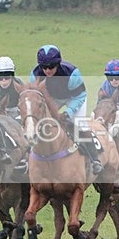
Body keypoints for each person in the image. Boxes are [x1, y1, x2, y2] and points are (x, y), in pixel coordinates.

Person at [29, 44, 102, 174]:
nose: (47, 70)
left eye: (51, 66)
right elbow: (37, 97)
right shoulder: (35, 75)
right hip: (52, 99)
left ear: (58, 63)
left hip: (74, 97)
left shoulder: (71, 73)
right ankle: (28, 158)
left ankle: (95, 160)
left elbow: (80, 96)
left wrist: (68, 112)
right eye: (44, 67)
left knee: (80, 125)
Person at [0, 56, 23, 121]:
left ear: (12, 75)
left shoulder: (19, 84)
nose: (3, 80)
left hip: (16, 114)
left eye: (7, 76)